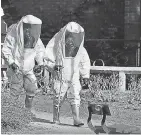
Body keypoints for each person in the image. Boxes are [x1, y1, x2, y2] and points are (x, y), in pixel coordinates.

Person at [44, 22, 90, 126]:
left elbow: (84, 61)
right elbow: (47, 58)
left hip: (74, 76)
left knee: (75, 96)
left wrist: (85, 76)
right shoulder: (57, 43)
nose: (72, 39)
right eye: (70, 36)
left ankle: (76, 119)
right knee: (58, 96)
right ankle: (56, 118)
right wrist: (53, 66)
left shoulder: (80, 48)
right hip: (60, 75)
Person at [2, 15, 45, 110]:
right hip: (16, 68)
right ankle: (11, 114)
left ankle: (27, 113)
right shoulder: (13, 34)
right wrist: (11, 62)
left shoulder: (34, 36)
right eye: (27, 27)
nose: (28, 30)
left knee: (32, 89)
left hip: (29, 68)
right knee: (15, 91)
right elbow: (6, 50)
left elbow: (40, 50)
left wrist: (40, 63)